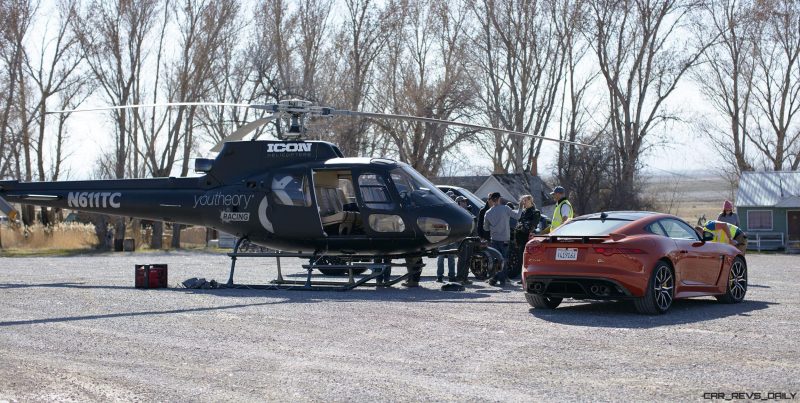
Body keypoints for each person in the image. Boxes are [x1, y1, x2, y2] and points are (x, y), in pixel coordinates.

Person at [482, 192, 521, 286]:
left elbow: (485, 228)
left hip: (494, 239)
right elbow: (518, 216)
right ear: (499, 199)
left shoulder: (488, 212)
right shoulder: (505, 208)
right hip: (504, 239)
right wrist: (521, 207)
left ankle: (495, 278)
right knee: (504, 259)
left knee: (496, 259)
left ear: (492, 200)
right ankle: (502, 280)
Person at [508, 195, 541, 280]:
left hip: (527, 238)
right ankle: (521, 275)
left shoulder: (535, 212)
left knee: (526, 259)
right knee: (520, 258)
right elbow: (518, 225)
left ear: (530, 200)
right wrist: (515, 239)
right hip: (519, 238)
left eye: (525, 201)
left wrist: (526, 228)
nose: (523, 203)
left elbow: (533, 226)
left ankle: (526, 277)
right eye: (522, 201)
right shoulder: (523, 212)